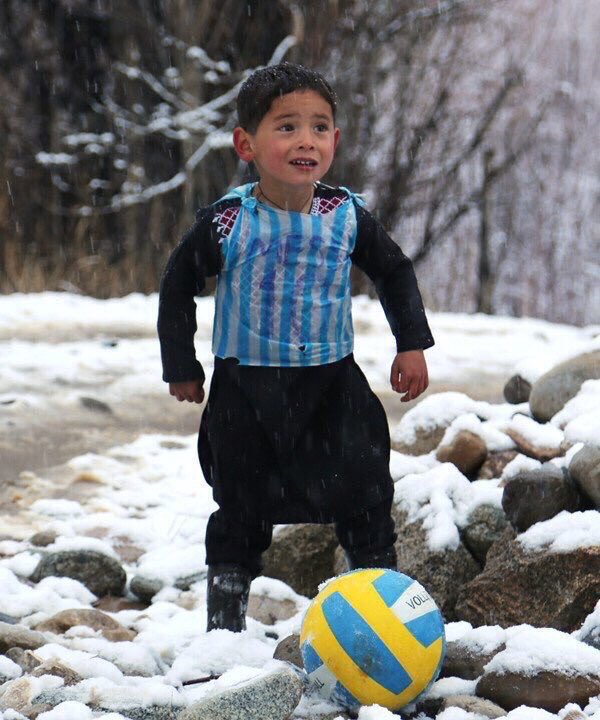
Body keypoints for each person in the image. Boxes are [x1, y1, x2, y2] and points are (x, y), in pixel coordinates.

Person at [157, 62, 434, 633]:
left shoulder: (345, 217)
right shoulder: (229, 222)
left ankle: (381, 618)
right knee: (239, 503)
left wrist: (411, 344)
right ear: (246, 144)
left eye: (320, 126)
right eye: (286, 127)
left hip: (331, 385)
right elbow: (177, 283)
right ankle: (224, 628)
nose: (305, 140)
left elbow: (395, 272)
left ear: (335, 140)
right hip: (246, 389)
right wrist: (181, 365)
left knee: (364, 491)